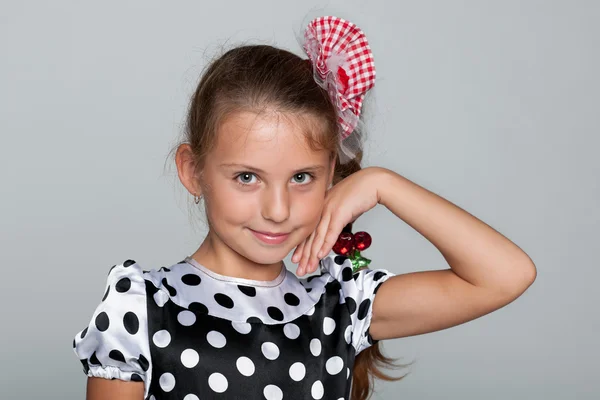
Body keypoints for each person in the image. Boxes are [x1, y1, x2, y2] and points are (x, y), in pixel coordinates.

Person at [72, 15, 536, 400]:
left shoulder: (342, 305)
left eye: (302, 178)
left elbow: (504, 275)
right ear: (193, 170)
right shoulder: (143, 310)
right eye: (247, 177)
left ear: (331, 173)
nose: (278, 210)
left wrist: (383, 184)